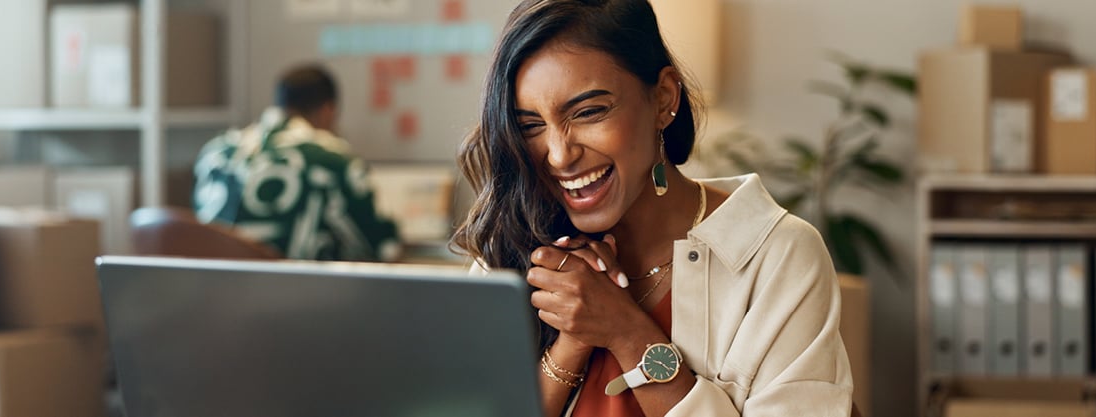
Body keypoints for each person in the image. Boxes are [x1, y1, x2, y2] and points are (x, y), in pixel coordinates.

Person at [452, 1, 853, 416]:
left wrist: (627, 333)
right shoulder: (511, 244)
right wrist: (572, 343)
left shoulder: (776, 255)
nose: (558, 155)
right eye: (530, 126)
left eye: (589, 112)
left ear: (663, 99)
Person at [193, 64, 401, 262]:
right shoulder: (333, 158)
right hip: (299, 294)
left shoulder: (217, 153)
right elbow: (384, 247)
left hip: (214, 293)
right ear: (328, 110)